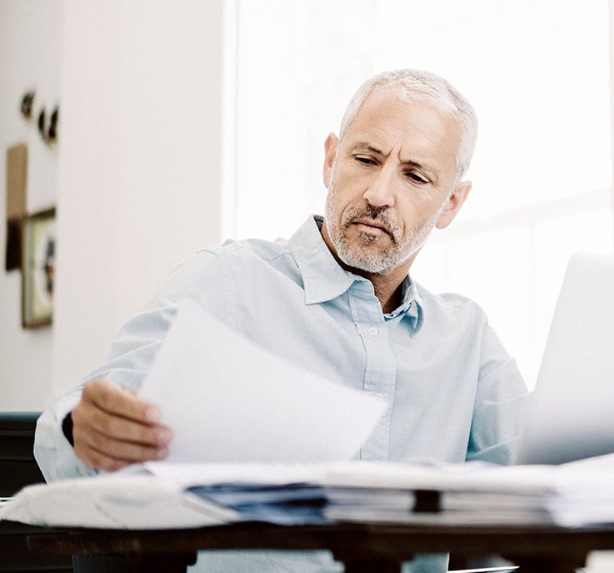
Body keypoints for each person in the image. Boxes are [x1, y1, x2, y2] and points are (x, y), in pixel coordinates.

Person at [33, 69, 528, 572]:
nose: (380, 193)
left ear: (451, 203)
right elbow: (71, 429)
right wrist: (85, 429)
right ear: (331, 159)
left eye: (415, 176)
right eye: (365, 159)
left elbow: (549, 475)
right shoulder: (225, 282)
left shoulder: (467, 337)